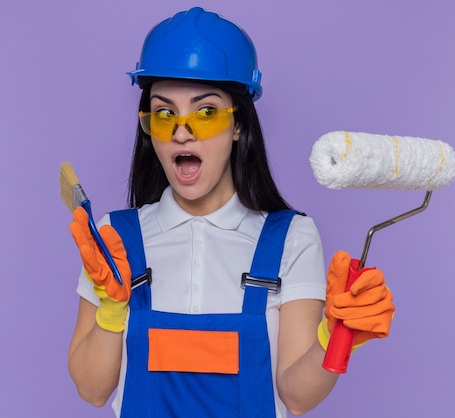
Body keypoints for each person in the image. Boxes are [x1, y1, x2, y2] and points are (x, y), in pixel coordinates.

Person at [67, 7, 395, 418]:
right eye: (164, 113)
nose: (181, 131)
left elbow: (297, 396)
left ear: (238, 124)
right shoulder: (115, 237)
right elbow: (91, 389)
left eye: (205, 113)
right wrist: (112, 313)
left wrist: (337, 334)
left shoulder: (289, 237)